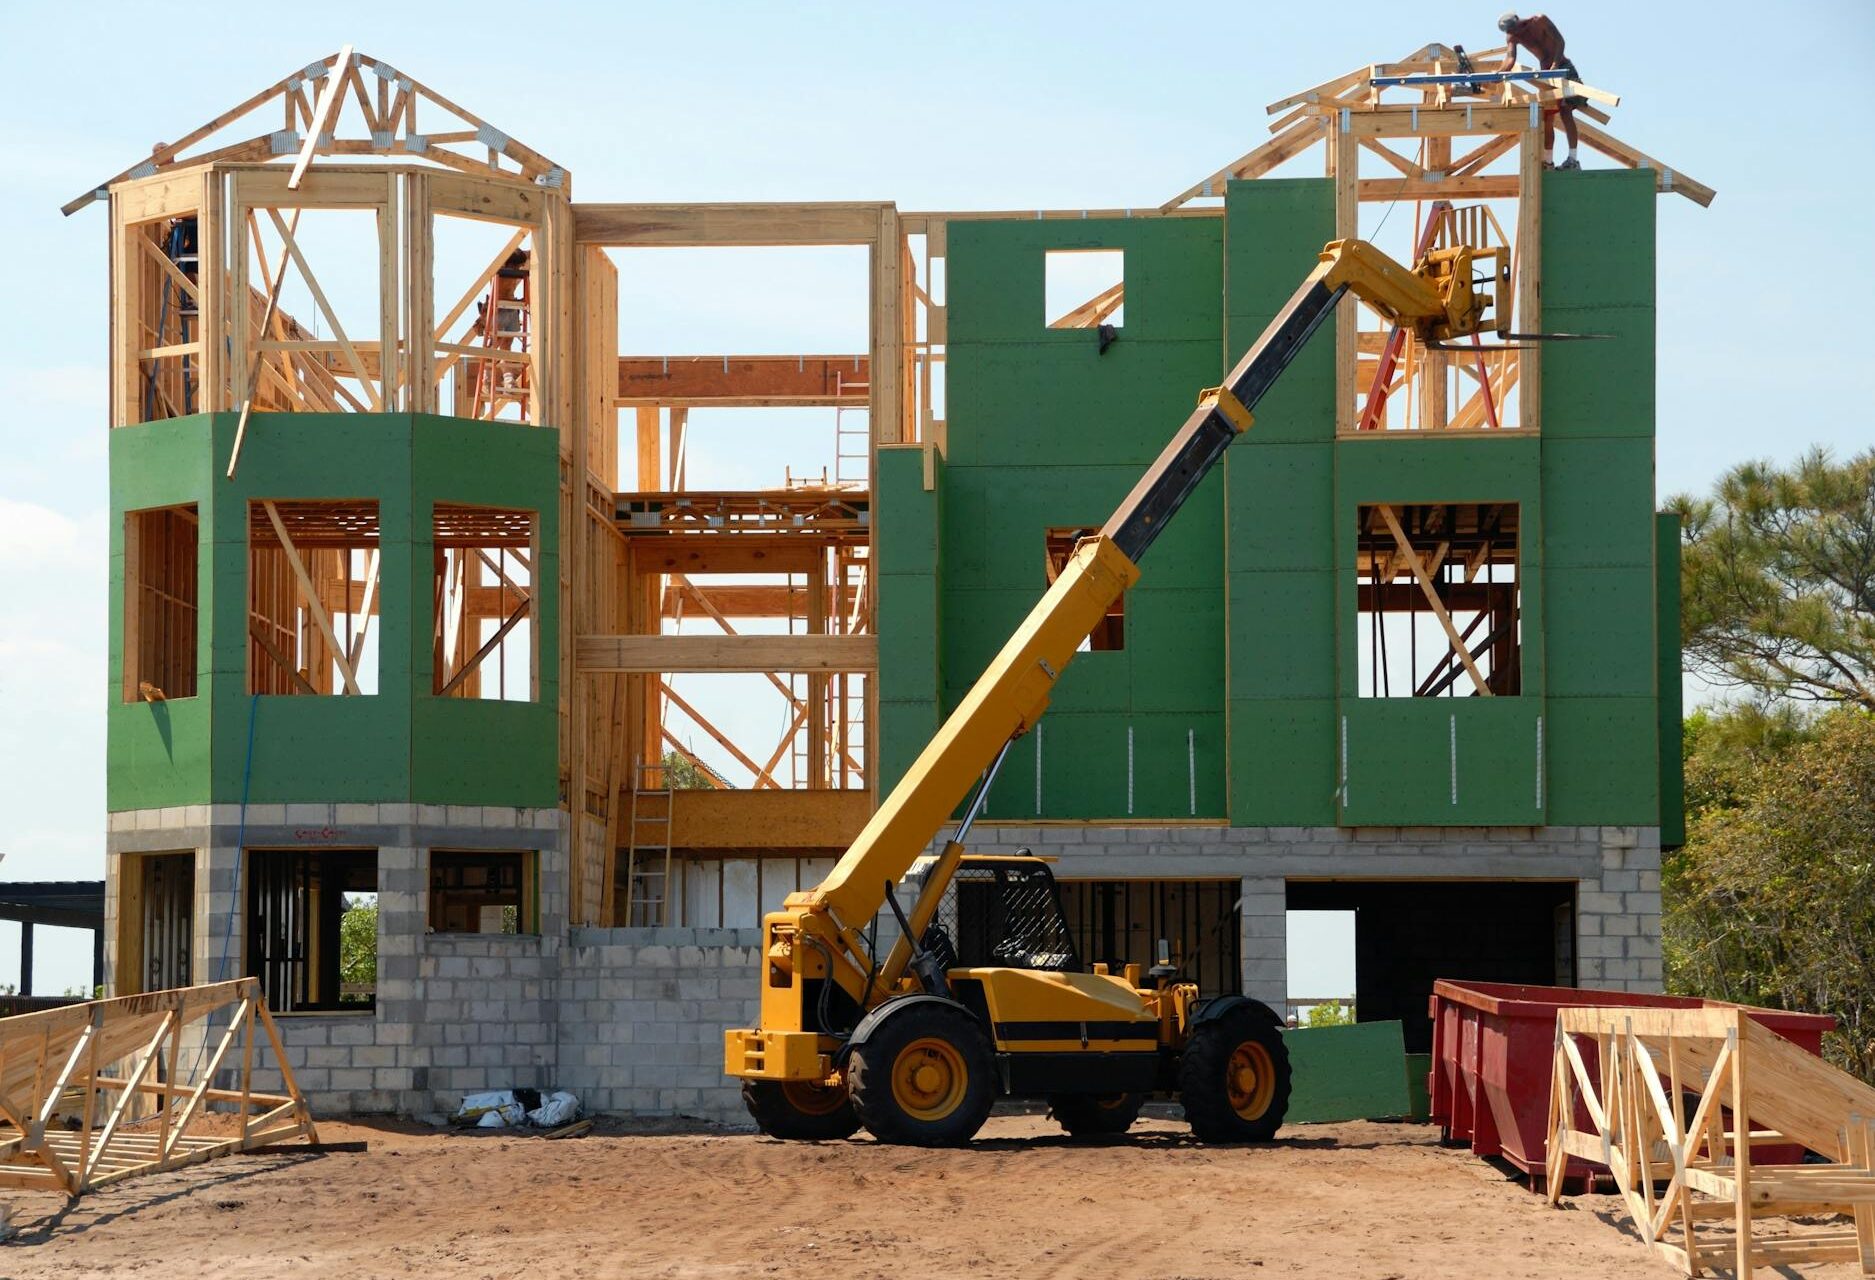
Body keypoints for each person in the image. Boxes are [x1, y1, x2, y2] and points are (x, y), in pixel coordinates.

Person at [1497, 13, 1586, 169]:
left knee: (1566, 110)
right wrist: (1498, 74)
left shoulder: (1540, 21)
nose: (1514, 33)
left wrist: (1555, 65)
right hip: (1546, 74)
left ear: (1519, 23)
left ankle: (1573, 160)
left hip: (1563, 67)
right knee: (1547, 116)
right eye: (1510, 31)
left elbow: (1560, 41)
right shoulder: (1513, 37)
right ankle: (1548, 162)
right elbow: (1510, 59)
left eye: (1514, 29)